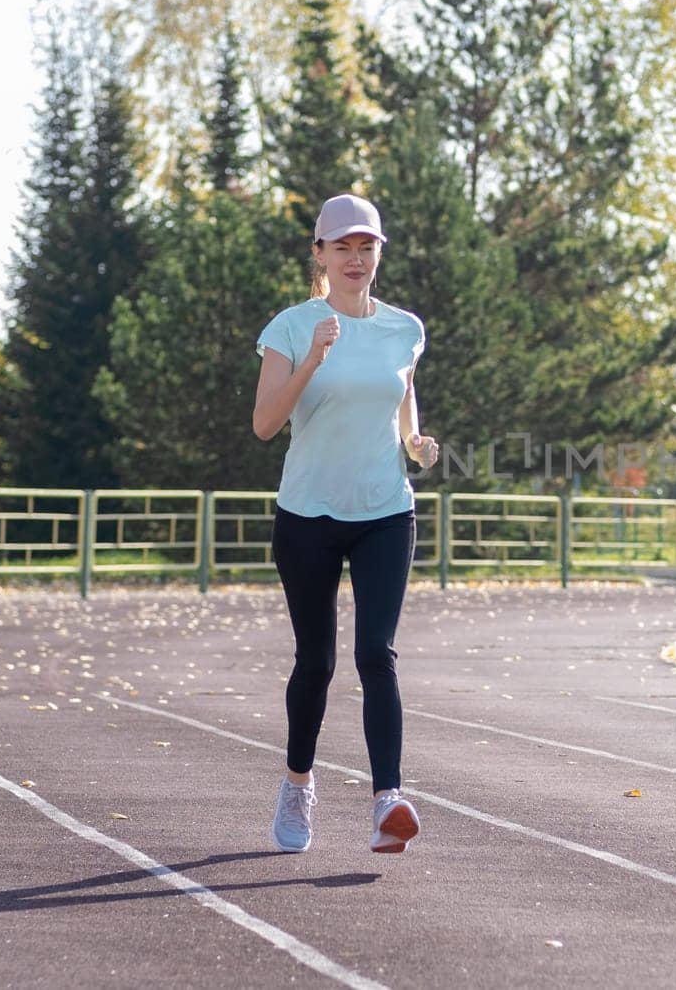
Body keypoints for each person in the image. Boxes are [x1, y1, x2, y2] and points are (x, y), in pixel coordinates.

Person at [252, 193, 439, 855]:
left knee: (375, 653)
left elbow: (402, 401)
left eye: (367, 248)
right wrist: (313, 361)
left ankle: (388, 798)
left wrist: (417, 444)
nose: (356, 259)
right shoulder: (293, 326)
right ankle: (298, 780)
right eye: (343, 247)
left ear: (378, 253)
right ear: (321, 254)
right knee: (317, 662)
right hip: (307, 516)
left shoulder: (404, 329)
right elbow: (265, 423)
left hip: (386, 511)